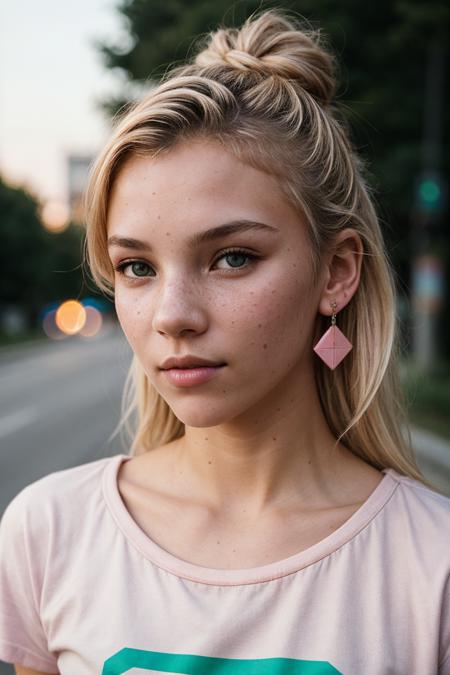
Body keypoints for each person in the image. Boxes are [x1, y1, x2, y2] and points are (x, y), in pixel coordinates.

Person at [1, 8, 449, 675]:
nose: (173, 316)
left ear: (336, 272)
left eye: (232, 257)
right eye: (137, 268)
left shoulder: (432, 565)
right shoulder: (49, 530)